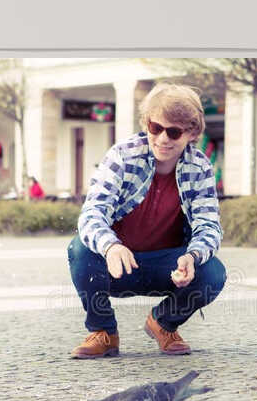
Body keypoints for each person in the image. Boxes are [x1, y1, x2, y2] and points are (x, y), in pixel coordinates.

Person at [64, 83, 227, 358]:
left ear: (191, 133)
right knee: (79, 248)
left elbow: (208, 225)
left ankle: (163, 323)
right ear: (146, 124)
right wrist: (111, 247)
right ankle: (103, 332)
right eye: (155, 128)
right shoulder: (123, 155)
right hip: (118, 264)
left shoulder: (200, 167)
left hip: (169, 267)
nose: (163, 138)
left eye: (174, 131)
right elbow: (92, 213)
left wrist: (192, 256)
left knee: (213, 273)